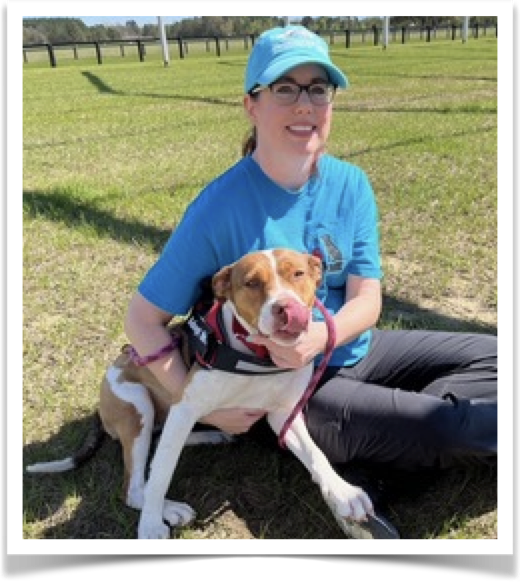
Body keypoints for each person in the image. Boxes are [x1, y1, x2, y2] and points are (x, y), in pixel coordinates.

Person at [124, 25, 497, 539]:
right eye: (285, 88)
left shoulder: (350, 184)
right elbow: (142, 320)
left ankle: (386, 460)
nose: (305, 104)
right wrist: (205, 405)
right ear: (252, 105)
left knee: (498, 356)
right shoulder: (217, 207)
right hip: (285, 390)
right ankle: (416, 430)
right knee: (454, 425)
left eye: (318, 89)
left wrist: (323, 336)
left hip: (351, 348)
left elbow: (367, 298)